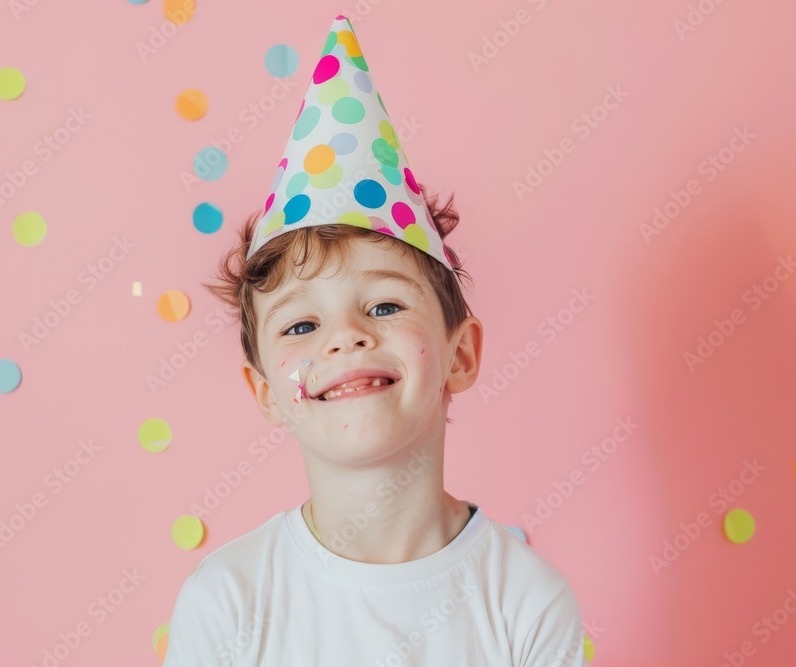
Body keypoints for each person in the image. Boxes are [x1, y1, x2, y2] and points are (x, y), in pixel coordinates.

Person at [163, 14, 588, 666]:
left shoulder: (524, 602)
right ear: (266, 390)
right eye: (302, 325)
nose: (347, 337)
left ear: (462, 353)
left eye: (384, 304)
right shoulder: (229, 603)